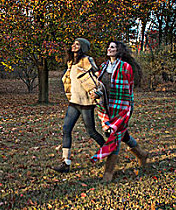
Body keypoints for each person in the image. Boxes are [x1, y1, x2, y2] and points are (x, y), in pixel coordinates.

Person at [91, 40, 149, 182]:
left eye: (112, 47)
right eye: (109, 46)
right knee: (123, 135)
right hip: (107, 107)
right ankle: (141, 154)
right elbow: (100, 86)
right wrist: (96, 93)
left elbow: (127, 90)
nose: (109, 49)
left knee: (114, 135)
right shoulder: (103, 67)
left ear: (119, 50)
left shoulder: (126, 67)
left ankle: (108, 173)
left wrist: (123, 107)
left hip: (122, 106)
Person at [54, 38, 106, 173]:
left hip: (86, 103)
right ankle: (66, 162)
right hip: (74, 102)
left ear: (82, 47)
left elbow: (98, 77)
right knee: (66, 129)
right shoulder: (71, 63)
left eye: (77, 44)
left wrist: (98, 92)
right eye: (73, 43)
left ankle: (109, 150)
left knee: (91, 132)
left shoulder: (88, 60)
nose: (74, 45)